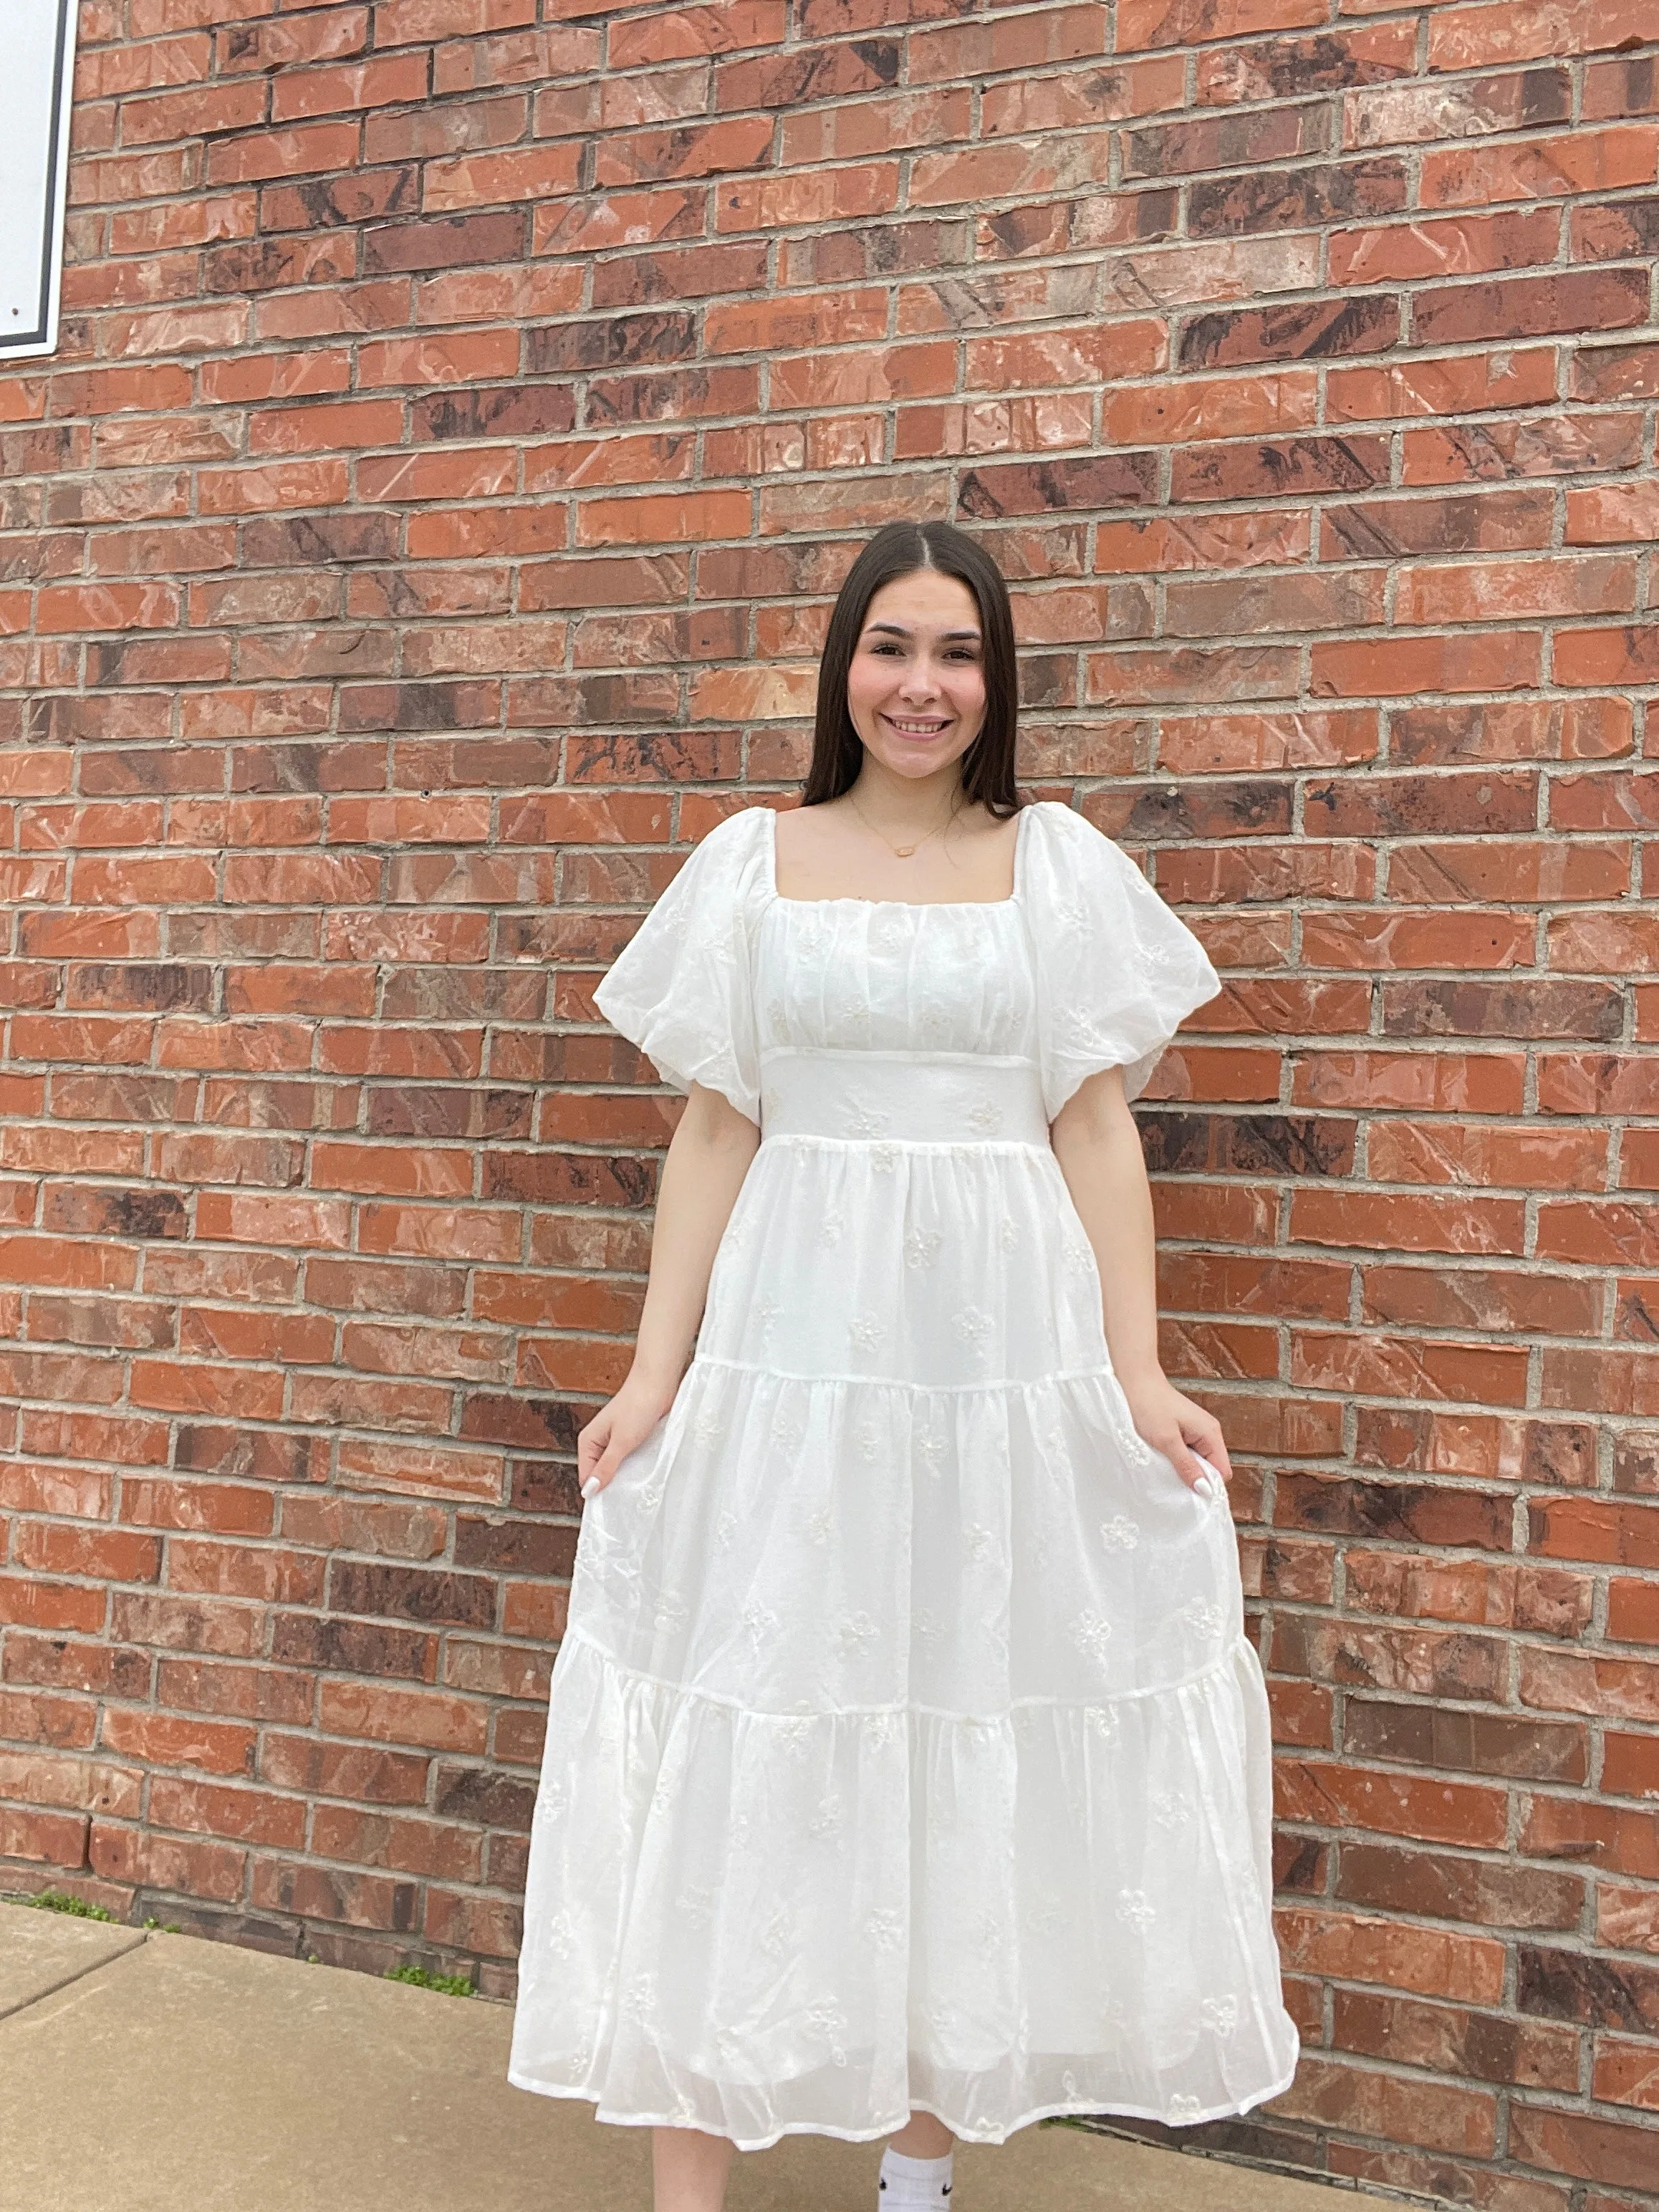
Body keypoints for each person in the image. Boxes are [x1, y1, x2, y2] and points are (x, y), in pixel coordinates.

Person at [507, 519, 1300, 2212]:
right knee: (751, 1702)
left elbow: (1095, 1120)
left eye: (956, 653)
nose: (921, 685)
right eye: (890, 647)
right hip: (795, 1344)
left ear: (994, 680)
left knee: (960, 1705)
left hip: (997, 1347)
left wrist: (1135, 1370)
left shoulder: (1060, 864)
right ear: (841, 665)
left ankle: (914, 2174)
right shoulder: (751, 857)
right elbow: (717, 1124)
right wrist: (656, 1376)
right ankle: (686, 2188)